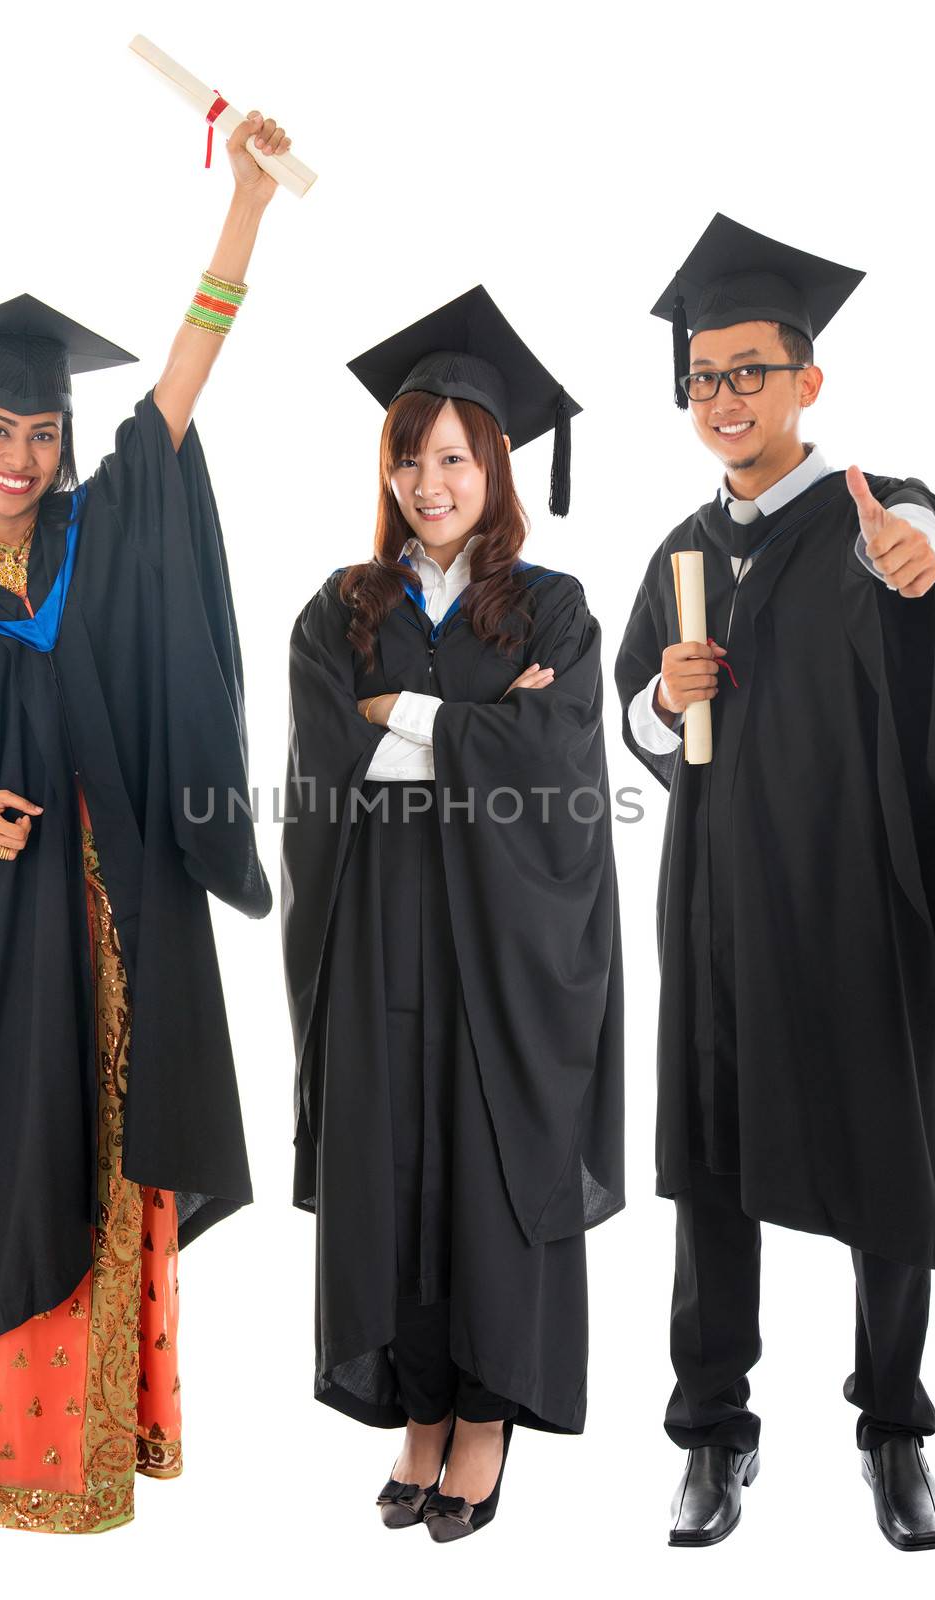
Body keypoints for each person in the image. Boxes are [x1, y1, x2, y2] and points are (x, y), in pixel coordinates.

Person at [0, 110, 291, 1533]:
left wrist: (248, 205)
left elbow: (183, 382)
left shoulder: (96, 538)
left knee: (107, 1157)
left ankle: (101, 1440)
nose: (21, 457)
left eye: (41, 431)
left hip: (113, 923)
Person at [614, 214, 935, 1551]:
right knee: (710, 1177)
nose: (722, 399)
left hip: (858, 912)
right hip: (719, 920)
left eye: (748, 372)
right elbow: (634, 726)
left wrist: (924, 538)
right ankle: (712, 1434)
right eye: (702, 378)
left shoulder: (863, 516)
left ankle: (894, 1432)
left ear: (806, 385)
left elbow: (925, 546)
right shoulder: (677, 550)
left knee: (884, 1164)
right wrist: (661, 702)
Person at [281, 286, 624, 1542]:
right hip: (376, 935)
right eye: (410, 457)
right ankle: (417, 1410)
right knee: (394, 1158)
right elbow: (328, 761)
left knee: (486, 1160)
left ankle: (483, 1418)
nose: (431, 483)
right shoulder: (343, 607)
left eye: (454, 457)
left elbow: (558, 764)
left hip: (505, 946)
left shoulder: (556, 607)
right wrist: (485, 729)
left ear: (497, 466)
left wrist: (408, 720)